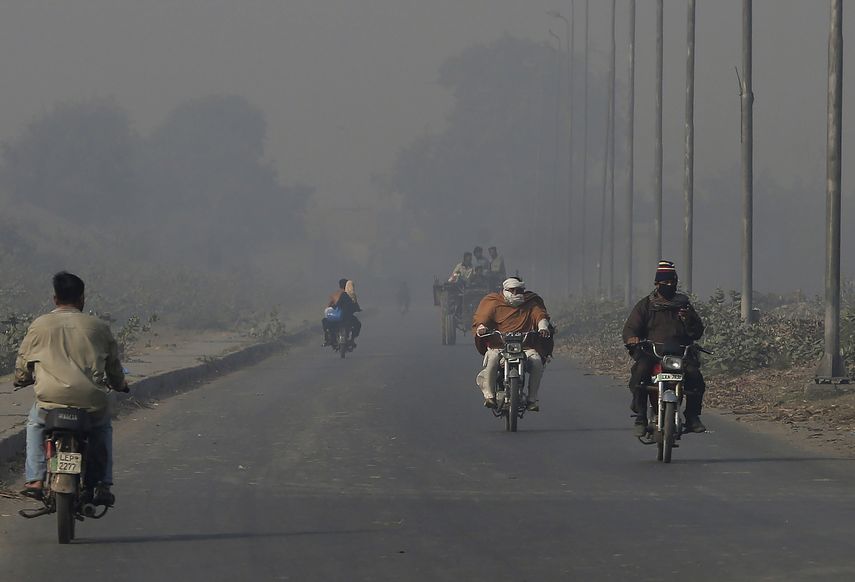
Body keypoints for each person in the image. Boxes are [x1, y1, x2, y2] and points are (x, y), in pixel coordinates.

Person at [15, 272, 129, 506]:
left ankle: (35, 479)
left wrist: (22, 378)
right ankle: (102, 483)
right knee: (103, 428)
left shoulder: (39, 325)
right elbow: (114, 367)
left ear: (55, 298)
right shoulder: (98, 327)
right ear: (82, 299)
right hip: (90, 402)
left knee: (35, 424)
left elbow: (23, 360)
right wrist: (120, 384)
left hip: (50, 401)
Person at [622, 260, 707, 436]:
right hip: (652, 353)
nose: (669, 286)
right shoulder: (645, 305)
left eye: (672, 282)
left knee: (695, 376)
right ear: (657, 283)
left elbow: (697, 331)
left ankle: (692, 416)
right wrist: (632, 338)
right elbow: (631, 327)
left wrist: (688, 319)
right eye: (665, 283)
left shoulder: (684, 305)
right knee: (640, 373)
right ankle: (641, 416)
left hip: (679, 354)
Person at [472, 277, 553, 411]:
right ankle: (490, 396)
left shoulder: (531, 302)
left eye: (519, 290)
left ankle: (532, 399)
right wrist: (482, 327)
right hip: (499, 346)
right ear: (505, 290)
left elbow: (540, 316)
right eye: (513, 290)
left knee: (537, 362)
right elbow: (483, 318)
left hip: (525, 346)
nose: (516, 293)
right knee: (492, 358)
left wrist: (543, 327)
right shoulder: (494, 302)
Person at [322, 278, 362, 347]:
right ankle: (352, 339)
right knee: (358, 324)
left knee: (325, 322)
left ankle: (328, 340)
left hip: (337, 318)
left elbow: (329, 306)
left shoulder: (334, 294)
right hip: (346, 318)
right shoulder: (348, 295)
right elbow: (354, 306)